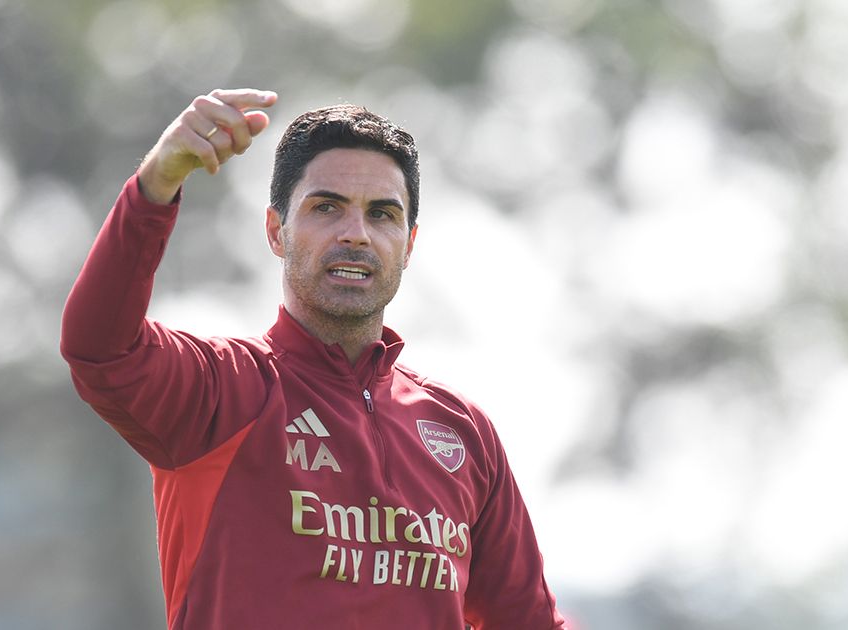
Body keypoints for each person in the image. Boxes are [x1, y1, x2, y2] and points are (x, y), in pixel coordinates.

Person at [61, 88, 567, 629]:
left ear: (409, 244)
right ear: (277, 232)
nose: (357, 234)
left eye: (383, 215)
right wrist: (156, 183)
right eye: (327, 208)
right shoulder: (221, 390)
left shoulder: (462, 432)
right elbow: (99, 346)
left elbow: (528, 620)